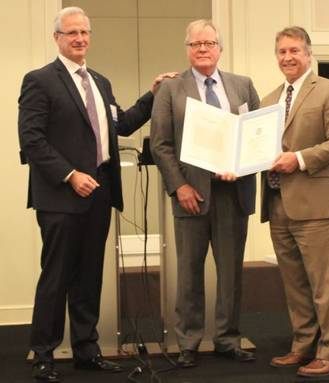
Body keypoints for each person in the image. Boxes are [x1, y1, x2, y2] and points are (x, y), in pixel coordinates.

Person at [18, 7, 175, 383]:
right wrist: (71, 175)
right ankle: (44, 355)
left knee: (89, 277)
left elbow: (120, 124)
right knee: (56, 276)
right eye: (71, 33)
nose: (80, 39)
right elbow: (31, 140)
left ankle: (87, 351)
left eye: (85, 32)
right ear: (57, 37)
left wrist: (151, 96)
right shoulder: (40, 80)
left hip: (100, 195)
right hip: (60, 196)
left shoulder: (100, 82)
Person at [150, 19, 259, 368]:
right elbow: (160, 144)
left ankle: (228, 338)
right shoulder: (171, 89)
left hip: (232, 193)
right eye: (196, 44)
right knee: (189, 273)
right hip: (190, 195)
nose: (202, 49)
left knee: (230, 273)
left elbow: (256, 137)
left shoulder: (243, 86)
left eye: (209, 43)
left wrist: (241, 166)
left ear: (220, 48)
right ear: (187, 49)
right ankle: (189, 342)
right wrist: (179, 185)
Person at [260, 26, 329, 378]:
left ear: (308, 54)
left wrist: (298, 158)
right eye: (282, 51)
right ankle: (302, 346)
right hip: (277, 201)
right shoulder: (268, 100)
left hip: (315, 203)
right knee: (295, 284)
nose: (288, 57)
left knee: (325, 284)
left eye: (294, 50)